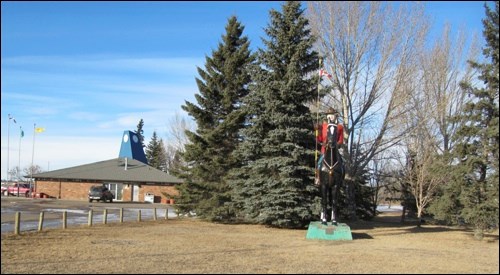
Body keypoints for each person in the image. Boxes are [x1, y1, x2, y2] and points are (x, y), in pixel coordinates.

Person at [315, 107, 344, 184]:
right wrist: (317, 131)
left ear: (335, 116)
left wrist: (337, 144)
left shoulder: (340, 127)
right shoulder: (323, 126)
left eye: (332, 115)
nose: (330, 116)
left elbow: (341, 140)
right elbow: (319, 139)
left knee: (342, 162)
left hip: (335, 150)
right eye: (328, 115)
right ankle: (318, 178)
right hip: (325, 149)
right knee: (319, 163)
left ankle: (341, 179)